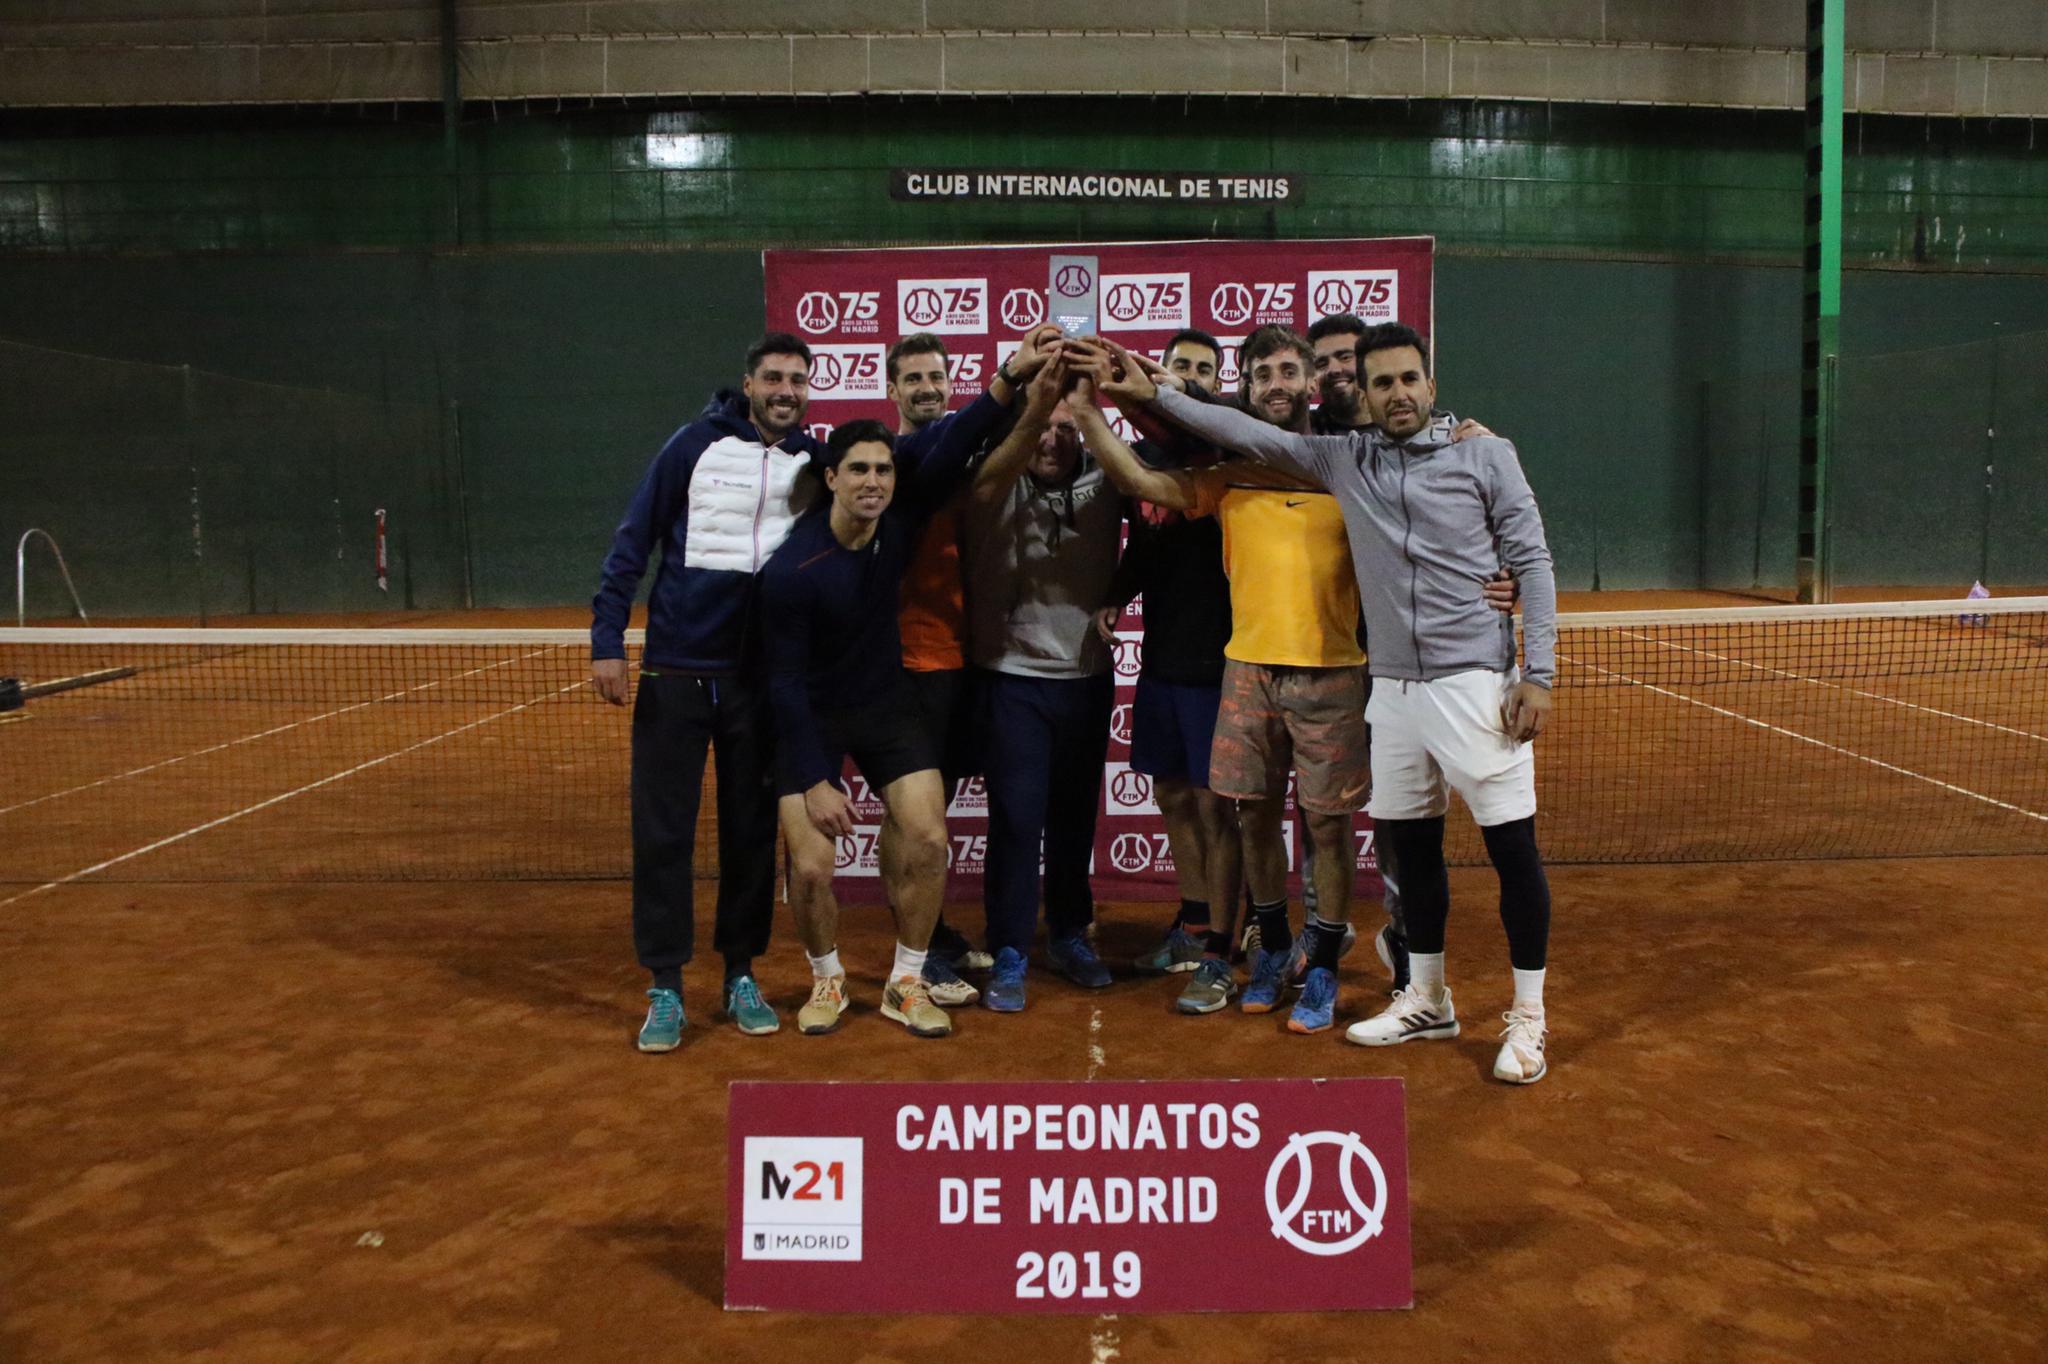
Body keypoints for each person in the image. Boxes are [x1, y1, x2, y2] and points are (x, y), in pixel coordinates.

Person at [1100, 323, 1561, 1084]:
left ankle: (1530, 1018)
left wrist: (1537, 673)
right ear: (1362, 395)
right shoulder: (1344, 462)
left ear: (1431, 384)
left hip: (1475, 683)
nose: (1398, 394)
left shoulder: (1487, 453)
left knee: (1514, 853)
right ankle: (1427, 997)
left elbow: (1533, 560)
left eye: (1409, 379)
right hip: (1393, 694)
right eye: (1383, 384)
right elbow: (1229, 425)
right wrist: (1147, 385)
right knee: (1413, 854)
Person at [1070, 326, 1368, 1036]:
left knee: (1328, 829)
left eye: (1289, 369)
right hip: (1246, 674)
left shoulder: (1350, 465)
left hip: (1332, 676)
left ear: (1310, 384)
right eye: (1262, 371)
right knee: (1253, 819)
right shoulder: (1231, 475)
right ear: (1246, 388)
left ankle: (1320, 962)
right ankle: (1267, 951)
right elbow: (1145, 483)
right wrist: (1086, 416)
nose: (1276, 381)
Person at [758, 373, 1022, 1037]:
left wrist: (1008, 380)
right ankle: (828, 977)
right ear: (832, 477)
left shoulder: (896, 524)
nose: (873, 481)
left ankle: (906, 982)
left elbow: (959, 437)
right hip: (809, 718)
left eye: (883, 469)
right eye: (858, 470)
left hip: (884, 707)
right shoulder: (792, 571)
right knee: (814, 869)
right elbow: (782, 682)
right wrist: (816, 779)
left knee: (930, 838)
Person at [592, 332, 823, 1050]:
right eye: (774, 378)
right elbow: (633, 542)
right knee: (663, 834)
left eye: (798, 380)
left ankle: (740, 973)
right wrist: (608, 642)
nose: (787, 390)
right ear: (749, 385)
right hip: (675, 673)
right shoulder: (691, 447)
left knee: (752, 836)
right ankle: (664, 986)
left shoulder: (815, 464)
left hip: (759, 682)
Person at [962, 355, 1123, 1012]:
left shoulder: (1109, 481)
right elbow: (989, 474)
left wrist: (1124, 590)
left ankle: (1068, 933)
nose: (1052, 439)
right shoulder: (997, 479)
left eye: (1066, 427)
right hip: (1013, 682)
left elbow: (1158, 505)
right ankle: (1008, 948)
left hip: (1085, 680)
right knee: (1017, 821)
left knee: (1074, 819)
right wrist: (1033, 407)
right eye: (1042, 427)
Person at [1098, 328, 1242, 980]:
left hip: (1221, 663)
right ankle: (1192, 918)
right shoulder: (1138, 458)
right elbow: (1148, 544)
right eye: (1179, 364)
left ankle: (1225, 933)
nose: (1188, 376)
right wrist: (1115, 594)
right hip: (1161, 660)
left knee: (1216, 806)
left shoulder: (1224, 447)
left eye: (1201, 370)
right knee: (1174, 796)